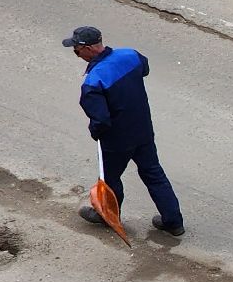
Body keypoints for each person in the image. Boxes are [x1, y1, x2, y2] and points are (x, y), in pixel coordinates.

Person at [64, 26, 186, 238]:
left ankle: (107, 215)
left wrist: (96, 132)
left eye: (77, 50)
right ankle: (174, 222)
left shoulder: (94, 80)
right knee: (153, 173)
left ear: (90, 48)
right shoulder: (130, 55)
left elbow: (100, 119)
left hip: (116, 139)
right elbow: (145, 68)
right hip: (143, 130)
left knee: (110, 178)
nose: (77, 54)